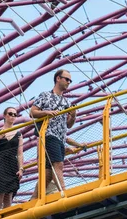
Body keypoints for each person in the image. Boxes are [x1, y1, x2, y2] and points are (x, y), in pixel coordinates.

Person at [30, 69, 86, 198]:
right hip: (49, 135)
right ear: (58, 78)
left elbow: (68, 125)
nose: (69, 82)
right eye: (67, 79)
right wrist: (47, 112)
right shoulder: (45, 95)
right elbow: (32, 112)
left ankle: (32, 201)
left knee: (48, 174)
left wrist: (73, 116)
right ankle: (64, 193)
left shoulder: (67, 102)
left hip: (60, 138)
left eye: (70, 80)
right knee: (58, 164)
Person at [0, 107, 24, 212]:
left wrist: (21, 168)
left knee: (9, 192)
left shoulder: (19, 134)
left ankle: (7, 217)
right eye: (10, 113)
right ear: (4, 115)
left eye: (15, 114)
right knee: (0, 190)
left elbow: (20, 154)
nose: (13, 116)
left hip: (11, 163)